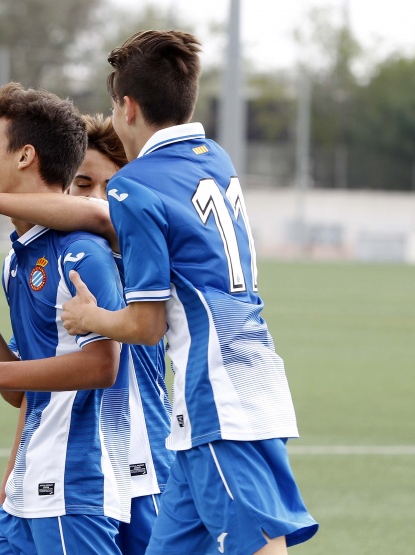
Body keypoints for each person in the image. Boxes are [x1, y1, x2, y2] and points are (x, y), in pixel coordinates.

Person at [60, 31, 318, 555]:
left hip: (218, 395)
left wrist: (89, 317)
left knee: (257, 544)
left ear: (127, 108)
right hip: (243, 378)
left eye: (113, 109)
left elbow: (145, 324)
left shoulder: (135, 185)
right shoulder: (215, 157)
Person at [0, 83, 132, 555]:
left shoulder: (83, 253)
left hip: (74, 488)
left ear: (24, 156)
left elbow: (101, 366)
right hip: (24, 492)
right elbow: (23, 394)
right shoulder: (17, 261)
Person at [0, 114, 173, 555]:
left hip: (143, 463)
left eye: (107, 186)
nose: (93, 197)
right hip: (71, 468)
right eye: (81, 182)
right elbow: (33, 391)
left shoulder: (123, 244)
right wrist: (7, 490)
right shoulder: (42, 258)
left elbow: (100, 215)